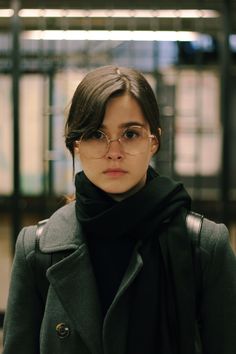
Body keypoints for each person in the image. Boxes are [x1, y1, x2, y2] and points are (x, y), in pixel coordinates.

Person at [3, 65, 236, 354]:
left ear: (154, 141)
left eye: (130, 134)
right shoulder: (38, 249)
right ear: (77, 145)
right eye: (96, 134)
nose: (114, 151)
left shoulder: (203, 245)